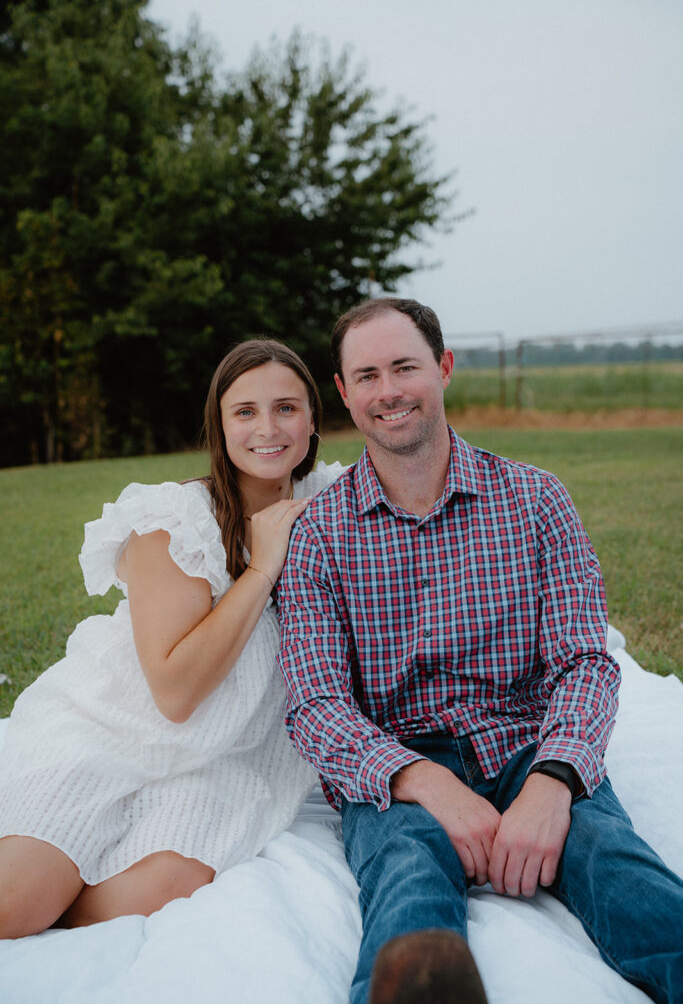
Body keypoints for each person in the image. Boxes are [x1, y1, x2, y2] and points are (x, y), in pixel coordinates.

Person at [277, 298, 683, 1004]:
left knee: (613, 863)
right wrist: (426, 783)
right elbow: (315, 706)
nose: (388, 391)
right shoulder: (318, 534)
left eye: (404, 366)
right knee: (406, 875)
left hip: (529, 744)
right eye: (366, 375)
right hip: (399, 768)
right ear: (343, 393)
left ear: (442, 367)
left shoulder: (535, 499)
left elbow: (584, 663)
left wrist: (552, 783)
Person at [0, 338, 343, 938]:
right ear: (220, 425)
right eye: (245, 412)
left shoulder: (332, 504)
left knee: (163, 887)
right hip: (115, 730)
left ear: (313, 421)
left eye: (287, 407)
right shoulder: (177, 521)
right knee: (14, 904)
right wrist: (261, 571)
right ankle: (45, 879)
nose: (268, 427)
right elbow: (175, 696)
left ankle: (64, 895)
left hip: (224, 756)